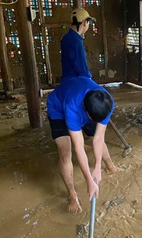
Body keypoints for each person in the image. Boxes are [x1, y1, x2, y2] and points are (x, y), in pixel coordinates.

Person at [47, 76, 116, 213]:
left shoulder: (106, 102)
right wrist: (89, 180)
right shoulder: (72, 107)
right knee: (66, 151)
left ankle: (110, 165)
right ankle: (72, 194)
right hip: (58, 108)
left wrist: (97, 167)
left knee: (93, 134)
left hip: (84, 102)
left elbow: (99, 137)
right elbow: (79, 147)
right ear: (85, 111)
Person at [61, 8, 96, 82]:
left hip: (66, 79)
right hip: (76, 81)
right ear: (85, 23)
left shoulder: (66, 37)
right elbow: (80, 64)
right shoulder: (76, 42)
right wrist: (88, 78)